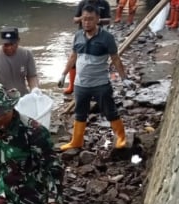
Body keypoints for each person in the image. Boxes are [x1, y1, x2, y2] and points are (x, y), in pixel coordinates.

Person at [58, 4, 135, 151]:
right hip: (81, 84)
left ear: (98, 19)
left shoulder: (107, 38)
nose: (87, 22)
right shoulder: (78, 35)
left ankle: (121, 137)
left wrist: (124, 78)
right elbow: (73, 56)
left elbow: (116, 59)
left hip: (100, 83)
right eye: (84, 19)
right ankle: (76, 141)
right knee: (80, 113)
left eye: (90, 19)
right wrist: (63, 74)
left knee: (110, 110)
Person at [62, 0, 113, 95]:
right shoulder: (82, 3)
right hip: (81, 36)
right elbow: (75, 20)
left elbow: (108, 20)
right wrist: (85, 18)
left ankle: (95, 87)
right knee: (74, 59)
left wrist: (96, 20)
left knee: (94, 62)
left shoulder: (104, 3)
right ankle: (72, 86)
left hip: (98, 36)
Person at [0, 26, 38, 96]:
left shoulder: (26, 54)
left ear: (18, 41)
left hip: (22, 97)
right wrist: (2, 90)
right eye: (6, 45)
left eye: (12, 44)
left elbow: (32, 76)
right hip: (2, 98)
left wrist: (34, 89)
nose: (9, 48)